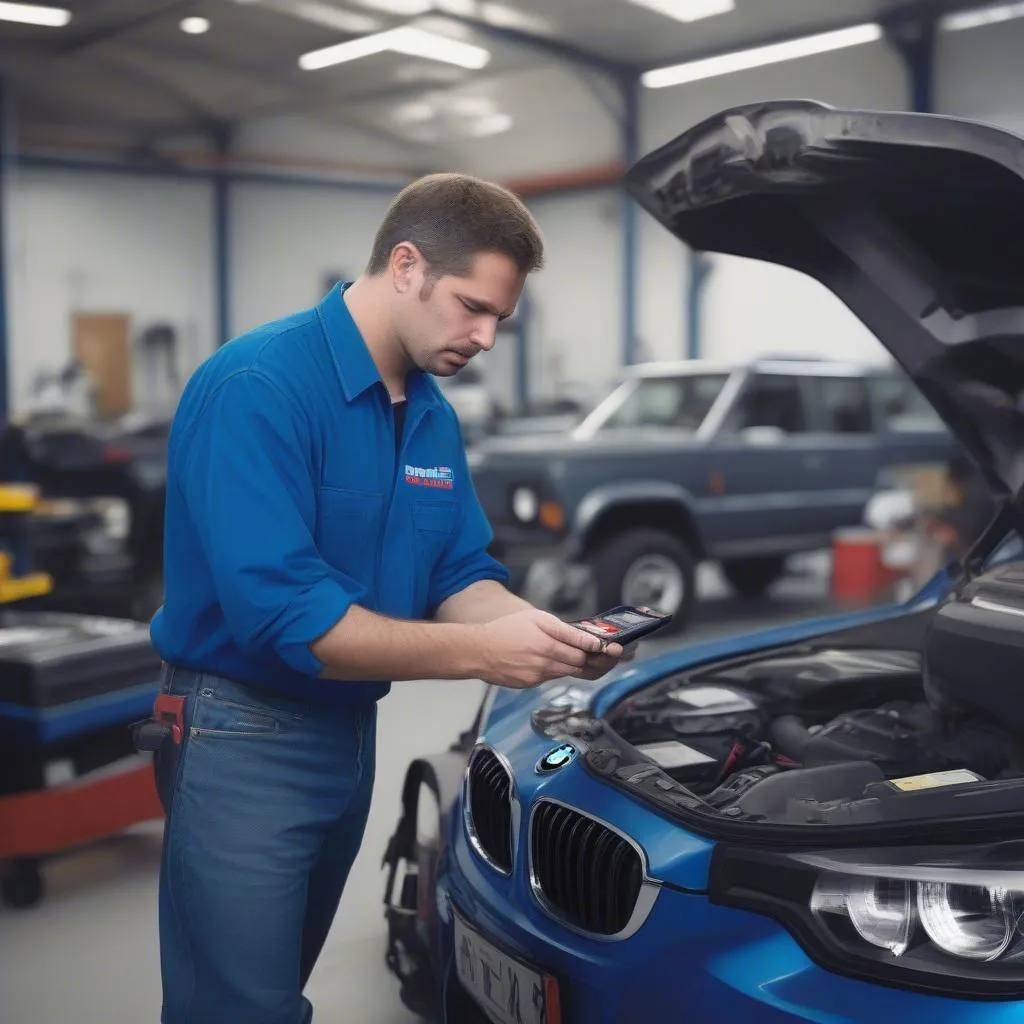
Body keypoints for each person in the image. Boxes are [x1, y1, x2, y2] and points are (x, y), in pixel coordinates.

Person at [148, 172, 625, 1024]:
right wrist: (483, 654)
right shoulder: (259, 387)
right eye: (471, 307)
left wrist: (539, 635)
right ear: (405, 265)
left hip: (346, 732)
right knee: (239, 1010)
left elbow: (456, 575)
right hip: (239, 730)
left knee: (279, 986)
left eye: (501, 321)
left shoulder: (431, 414)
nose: (484, 337)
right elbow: (289, 617)